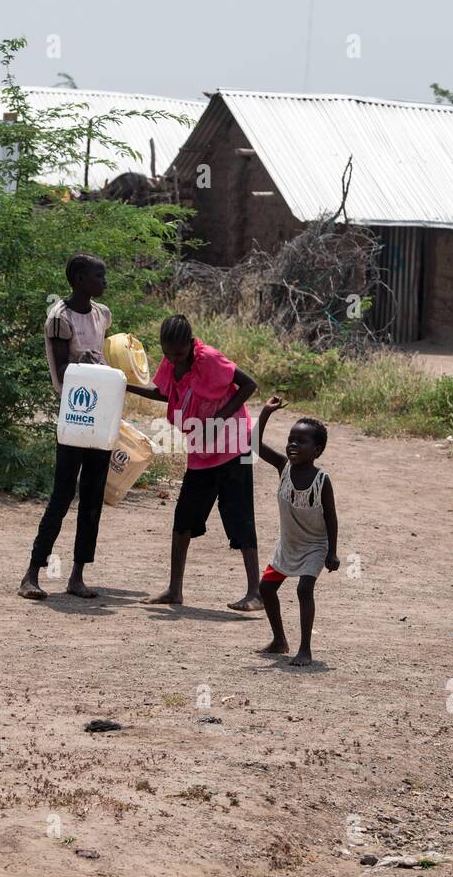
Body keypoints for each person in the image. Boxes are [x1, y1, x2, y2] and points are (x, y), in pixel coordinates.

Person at [128, 315, 262, 610]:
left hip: (232, 444)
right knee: (184, 516)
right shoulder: (171, 363)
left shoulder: (210, 359)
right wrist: (126, 386)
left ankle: (256, 592)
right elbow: (163, 393)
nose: (173, 360)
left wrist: (220, 418)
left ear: (190, 344)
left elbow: (249, 384)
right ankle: (175, 589)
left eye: (178, 353)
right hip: (202, 447)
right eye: (167, 354)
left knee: (239, 514)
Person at [19, 253, 114, 599]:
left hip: (100, 413)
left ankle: (77, 575)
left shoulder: (102, 314)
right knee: (62, 495)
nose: (104, 282)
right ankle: (32, 573)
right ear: (78, 279)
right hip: (74, 414)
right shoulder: (60, 318)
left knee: (92, 498)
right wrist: (80, 360)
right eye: (98, 276)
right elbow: (61, 374)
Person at [252, 396, 338, 666]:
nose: (292, 445)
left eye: (301, 442)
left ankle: (305, 649)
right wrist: (266, 412)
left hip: (314, 544)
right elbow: (252, 444)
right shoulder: (282, 468)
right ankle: (279, 640)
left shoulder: (322, 481)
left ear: (318, 450)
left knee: (303, 589)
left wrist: (333, 551)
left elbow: (332, 517)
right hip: (288, 544)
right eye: (291, 439)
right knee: (266, 589)